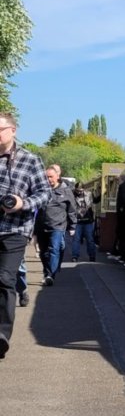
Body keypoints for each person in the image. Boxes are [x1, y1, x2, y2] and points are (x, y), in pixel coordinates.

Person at [0, 112, 51, 359]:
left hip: (15, 229)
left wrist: (22, 203)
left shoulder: (30, 160)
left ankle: (1, 336)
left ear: (13, 130)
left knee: (4, 278)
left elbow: (44, 193)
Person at [35, 165, 76, 286]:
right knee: (43, 252)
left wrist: (73, 226)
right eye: (46, 177)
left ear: (57, 176)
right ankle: (47, 271)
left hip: (57, 226)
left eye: (51, 177)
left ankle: (50, 275)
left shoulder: (66, 191)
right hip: (41, 225)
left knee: (54, 249)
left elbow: (72, 209)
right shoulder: (41, 190)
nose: (48, 180)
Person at [71, 181, 96, 262]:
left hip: (88, 221)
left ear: (84, 190)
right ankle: (75, 256)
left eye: (81, 190)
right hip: (77, 221)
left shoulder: (89, 194)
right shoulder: (72, 195)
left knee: (90, 239)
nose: (79, 192)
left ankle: (92, 256)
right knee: (76, 239)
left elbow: (94, 201)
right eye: (77, 190)